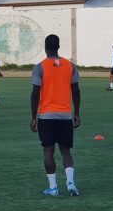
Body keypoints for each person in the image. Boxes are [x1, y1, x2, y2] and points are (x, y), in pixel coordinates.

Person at [30, 34, 81, 196]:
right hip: (65, 115)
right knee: (66, 151)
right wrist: (77, 113)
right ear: (58, 47)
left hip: (46, 116)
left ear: (45, 47)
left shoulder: (40, 67)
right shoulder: (70, 65)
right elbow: (76, 91)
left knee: (48, 151)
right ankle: (70, 183)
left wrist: (33, 117)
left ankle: (53, 187)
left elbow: (35, 93)